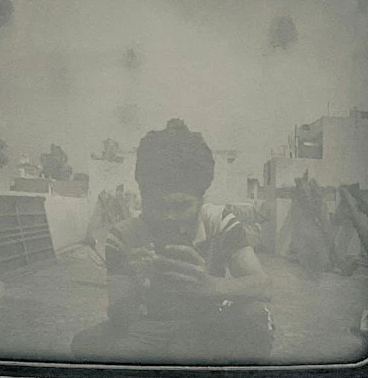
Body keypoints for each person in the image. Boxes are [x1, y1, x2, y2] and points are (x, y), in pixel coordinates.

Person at [70, 118, 272, 358]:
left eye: (181, 205)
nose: (168, 216)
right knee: (85, 345)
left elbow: (262, 285)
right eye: (156, 205)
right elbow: (119, 316)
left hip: (208, 325)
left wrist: (210, 285)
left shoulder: (218, 221)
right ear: (143, 196)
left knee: (255, 317)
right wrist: (137, 283)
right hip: (151, 328)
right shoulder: (123, 235)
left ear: (201, 198)